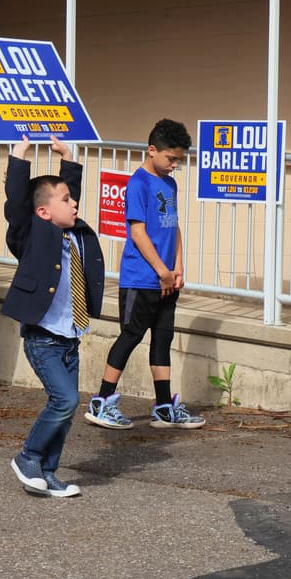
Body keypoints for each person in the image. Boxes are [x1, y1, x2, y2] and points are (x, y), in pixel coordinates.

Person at [2, 134, 104, 498]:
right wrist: (19, 155)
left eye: (72, 198)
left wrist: (69, 158)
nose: (74, 203)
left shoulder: (72, 231)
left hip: (69, 338)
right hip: (43, 338)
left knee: (64, 409)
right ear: (43, 213)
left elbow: (65, 192)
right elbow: (18, 204)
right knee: (65, 401)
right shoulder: (33, 235)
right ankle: (28, 457)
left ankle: (47, 472)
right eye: (65, 200)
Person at [86, 118, 203, 430]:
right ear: (152, 150)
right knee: (131, 335)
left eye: (179, 160)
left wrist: (177, 268)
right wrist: (162, 271)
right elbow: (138, 233)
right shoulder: (138, 183)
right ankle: (101, 401)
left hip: (167, 278)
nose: (175, 165)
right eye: (171, 159)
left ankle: (163, 407)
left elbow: (174, 226)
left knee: (162, 338)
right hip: (142, 277)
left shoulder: (170, 183)